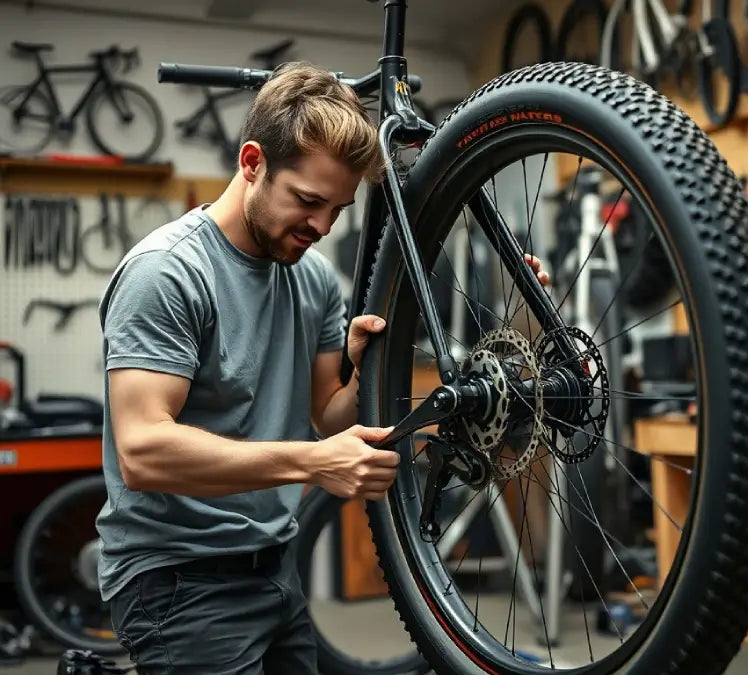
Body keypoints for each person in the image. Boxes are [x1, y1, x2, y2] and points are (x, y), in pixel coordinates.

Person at [95, 61, 549, 674]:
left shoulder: (310, 277)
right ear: (252, 163)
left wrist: (360, 377)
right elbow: (143, 452)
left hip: (274, 566)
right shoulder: (168, 273)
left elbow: (328, 418)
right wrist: (314, 463)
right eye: (307, 201)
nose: (320, 226)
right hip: (180, 579)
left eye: (337, 209)